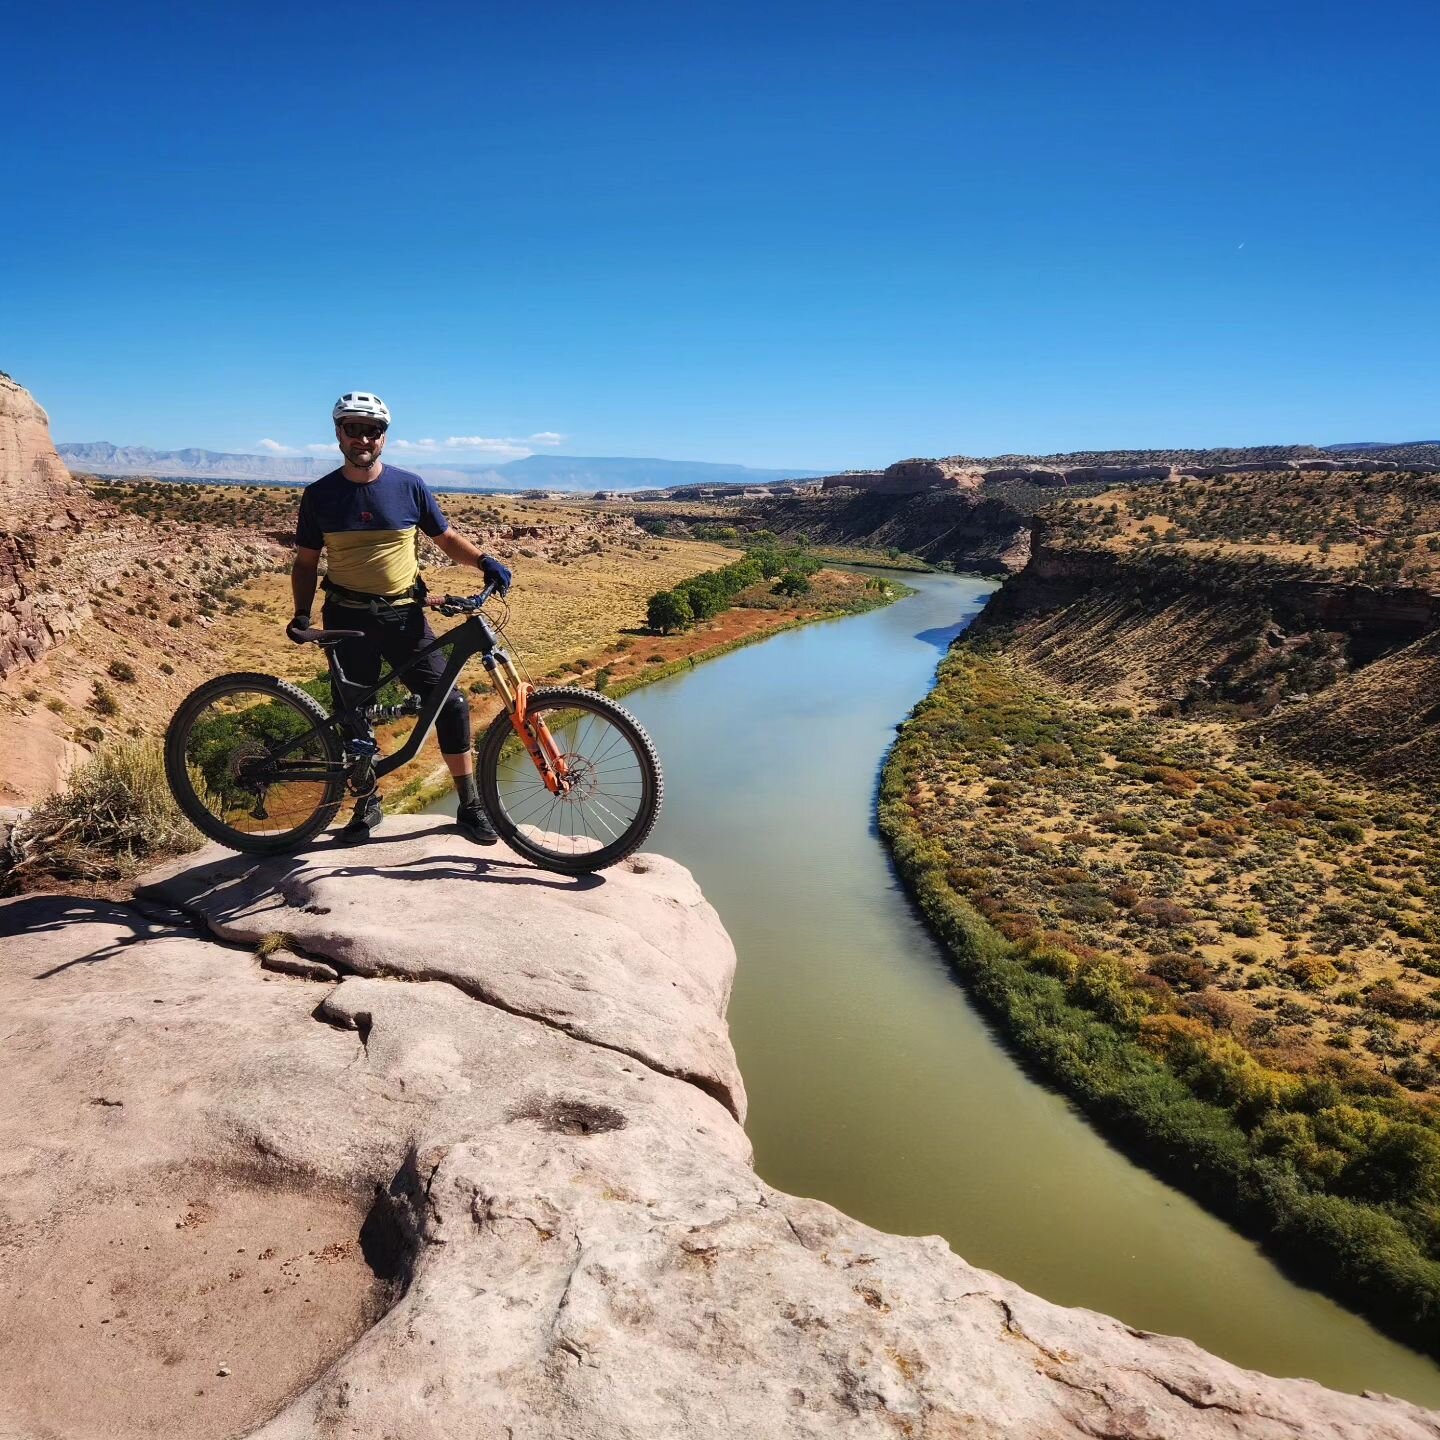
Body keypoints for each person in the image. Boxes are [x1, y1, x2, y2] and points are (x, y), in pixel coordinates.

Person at [287, 391, 512, 844]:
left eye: (372, 430)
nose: (363, 438)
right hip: (346, 619)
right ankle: (367, 807)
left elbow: (445, 538)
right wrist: (300, 614)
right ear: (339, 433)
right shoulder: (320, 495)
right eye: (354, 428)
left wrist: (485, 561)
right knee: (354, 716)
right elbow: (307, 562)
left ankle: (470, 806)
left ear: (384, 438)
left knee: (451, 704)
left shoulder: (409, 485)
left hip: (405, 617)